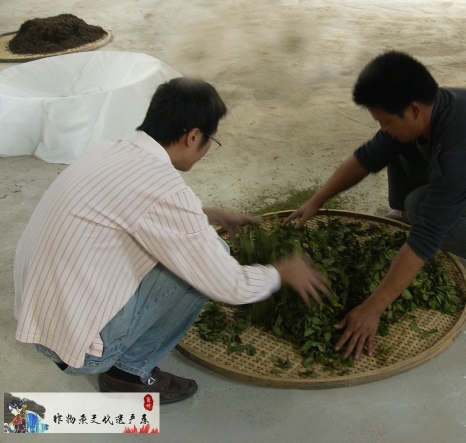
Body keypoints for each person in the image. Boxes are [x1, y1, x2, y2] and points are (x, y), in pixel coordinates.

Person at [14, 77, 330, 404]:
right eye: (211, 140)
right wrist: (280, 273)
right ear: (193, 137)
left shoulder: (112, 149)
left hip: (40, 320)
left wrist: (208, 214)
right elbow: (229, 285)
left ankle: (120, 362)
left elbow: (132, 211)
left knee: (188, 252)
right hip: (79, 350)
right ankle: (128, 373)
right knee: (209, 258)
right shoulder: (164, 189)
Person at [285, 50, 466, 360]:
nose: (382, 127)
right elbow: (366, 158)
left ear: (414, 109)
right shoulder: (427, 111)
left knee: (421, 208)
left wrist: (373, 308)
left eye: (385, 121)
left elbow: (427, 235)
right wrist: (316, 201)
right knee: (397, 145)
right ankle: (406, 212)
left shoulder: (461, 146)